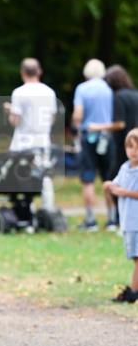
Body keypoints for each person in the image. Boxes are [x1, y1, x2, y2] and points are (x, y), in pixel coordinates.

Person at [72, 59, 116, 231]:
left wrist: (77, 126)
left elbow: (78, 114)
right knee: (109, 178)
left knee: (88, 179)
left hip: (88, 136)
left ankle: (90, 220)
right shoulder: (109, 89)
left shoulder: (82, 89)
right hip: (107, 136)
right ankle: (112, 218)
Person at [103, 128, 138, 303]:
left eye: (137, 148)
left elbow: (125, 191)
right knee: (134, 257)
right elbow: (116, 184)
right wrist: (109, 186)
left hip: (136, 222)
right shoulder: (125, 168)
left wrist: (123, 192)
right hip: (128, 222)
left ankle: (134, 292)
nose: (133, 152)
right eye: (130, 147)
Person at [3, 58, 57, 153]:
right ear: (39, 71)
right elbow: (51, 119)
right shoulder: (50, 92)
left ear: (22, 72)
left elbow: (15, 121)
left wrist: (11, 111)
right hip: (43, 141)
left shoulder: (19, 92)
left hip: (23, 142)